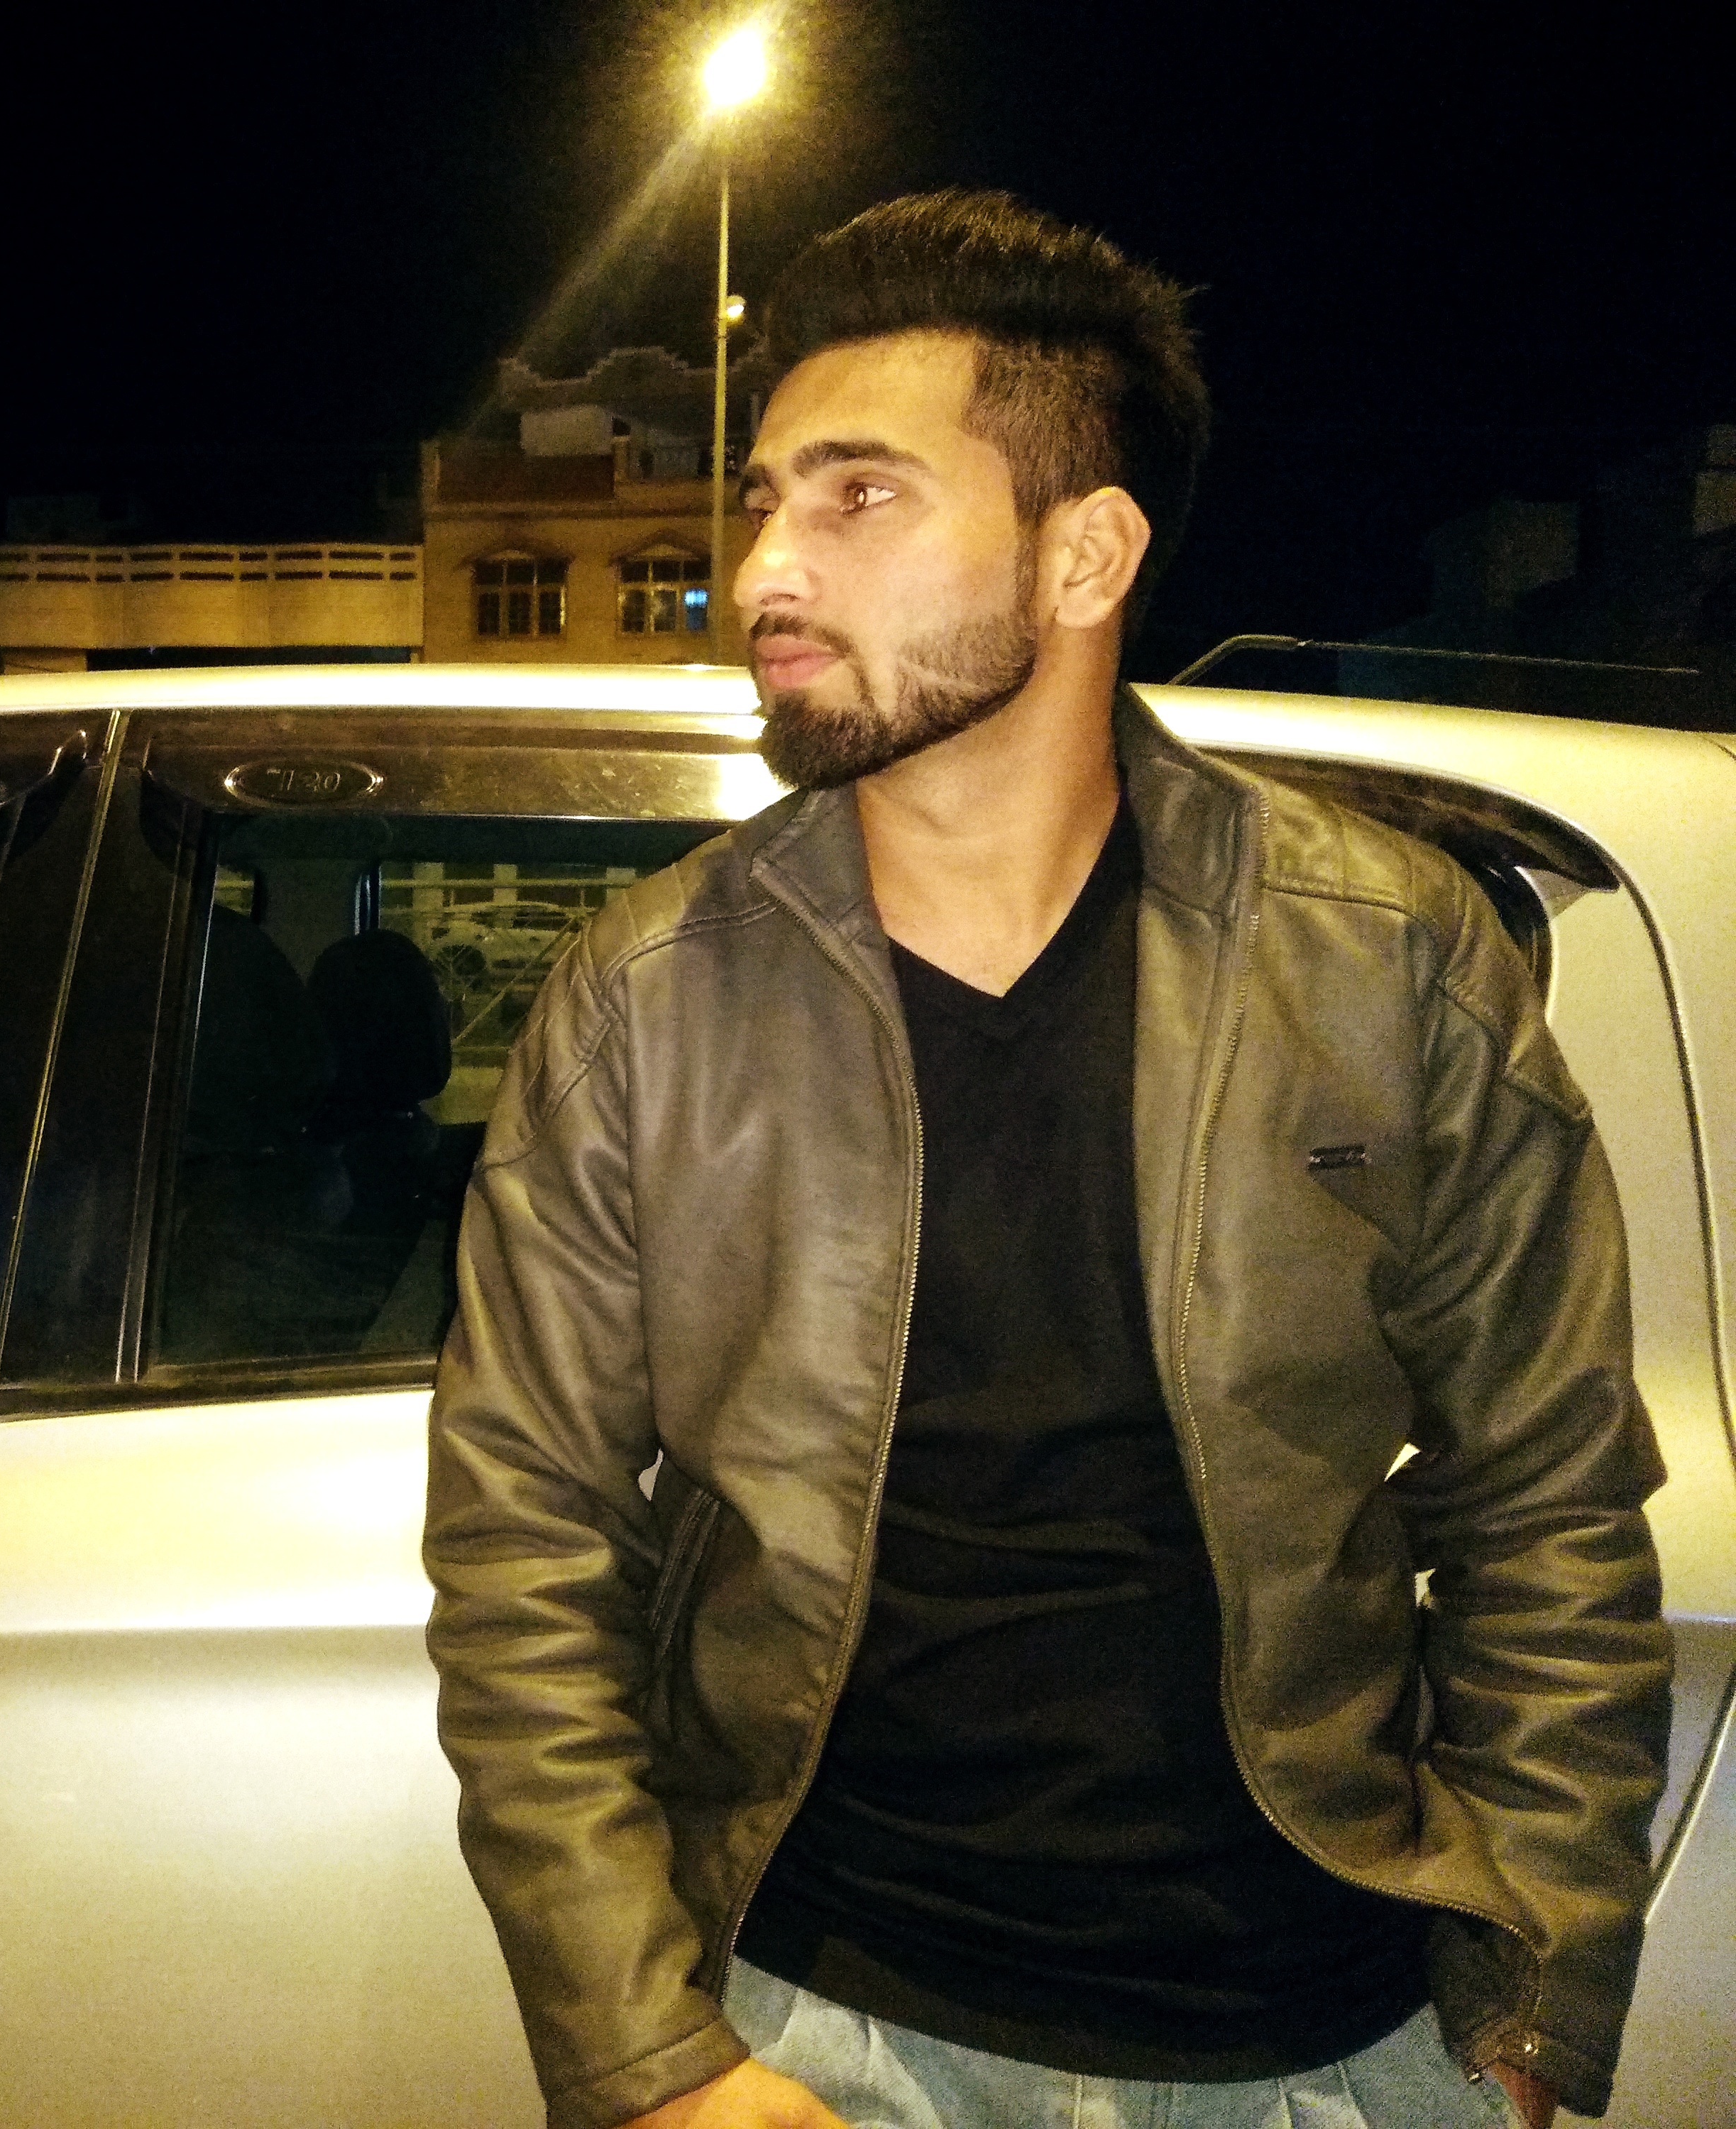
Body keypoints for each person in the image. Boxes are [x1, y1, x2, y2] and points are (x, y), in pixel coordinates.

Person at [422, 191, 1669, 2129]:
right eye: (765, 503)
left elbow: (1552, 1503)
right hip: (821, 2026)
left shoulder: (1387, 956)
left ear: (1086, 552)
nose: (765, 568)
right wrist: (656, 2062)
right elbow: (528, 1541)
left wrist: (1524, 2018)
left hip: (1332, 2039)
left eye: (859, 497)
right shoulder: (650, 999)